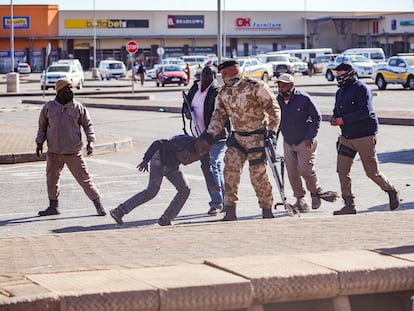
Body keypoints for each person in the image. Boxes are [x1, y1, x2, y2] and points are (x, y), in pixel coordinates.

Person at [199, 60, 281, 221]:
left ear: (233, 73)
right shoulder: (224, 92)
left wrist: (272, 131)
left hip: (257, 136)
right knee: (230, 172)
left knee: (257, 175)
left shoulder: (256, 86)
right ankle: (230, 210)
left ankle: (266, 209)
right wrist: (209, 135)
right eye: (221, 75)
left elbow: (273, 109)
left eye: (224, 75)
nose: (222, 78)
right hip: (237, 137)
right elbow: (218, 116)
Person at [330, 62, 400, 215]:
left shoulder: (361, 88)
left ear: (349, 74)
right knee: (342, 170)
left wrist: (344, 120)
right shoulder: (340, 92)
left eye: (340, 74)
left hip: (364, 135)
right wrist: (335, 118)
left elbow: (365, 111)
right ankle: (349, 204)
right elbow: (337, 110)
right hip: (346, 136)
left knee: (371, 172)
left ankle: (391, 190)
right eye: (337, 74)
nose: (338, 77)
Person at [109, 135, 217, 226]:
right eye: (202, 148)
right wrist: (146, 159)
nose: (203, 152)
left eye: (207, 150)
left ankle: (166, 219)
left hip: (172, 166)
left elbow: (206, 168)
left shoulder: (204, 154)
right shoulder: (183, 141)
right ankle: (119, 211)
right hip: (159, 160)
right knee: (151, 192)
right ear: (198, 142)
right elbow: (158, 143)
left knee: (185, 189)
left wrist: (211, 183)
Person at [35, 78, 106, 217]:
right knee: (52, 179)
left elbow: (88, 125)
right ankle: (53, 207)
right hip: (54, 152)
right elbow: (42, 126)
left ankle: (98, 205)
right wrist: (39, 143)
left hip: (73, 152)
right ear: (59, 91)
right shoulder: (49, 107)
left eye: (70, 89)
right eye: (66, 89)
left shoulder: (77, 107)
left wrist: (91, 141)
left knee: (85, 179)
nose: (69, 91)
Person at [276, 73, 336, 212]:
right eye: (279, 85)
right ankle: (300, 199)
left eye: (285, 85)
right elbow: (276, 120)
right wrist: (274, 137)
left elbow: (316, 117)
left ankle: (315, 192)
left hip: (305, 140)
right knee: (292, 173)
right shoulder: (277, 100)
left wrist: (311, 136)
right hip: (288, 141)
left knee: (305, 169)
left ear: (292, 85)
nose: (281, 88)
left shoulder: (303, 98)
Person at [182, 65, 230, 215]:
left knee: (213, 164)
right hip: (199, 136)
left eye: (210, 74)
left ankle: (218, 203)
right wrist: (187, 112)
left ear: (215, 76)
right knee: (207, 168)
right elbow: (186, 105)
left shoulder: (218, 91)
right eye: (204, 73)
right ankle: (222, 201)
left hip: (217, 136)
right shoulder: (195, 88)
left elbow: (221, 115)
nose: (206, 76)